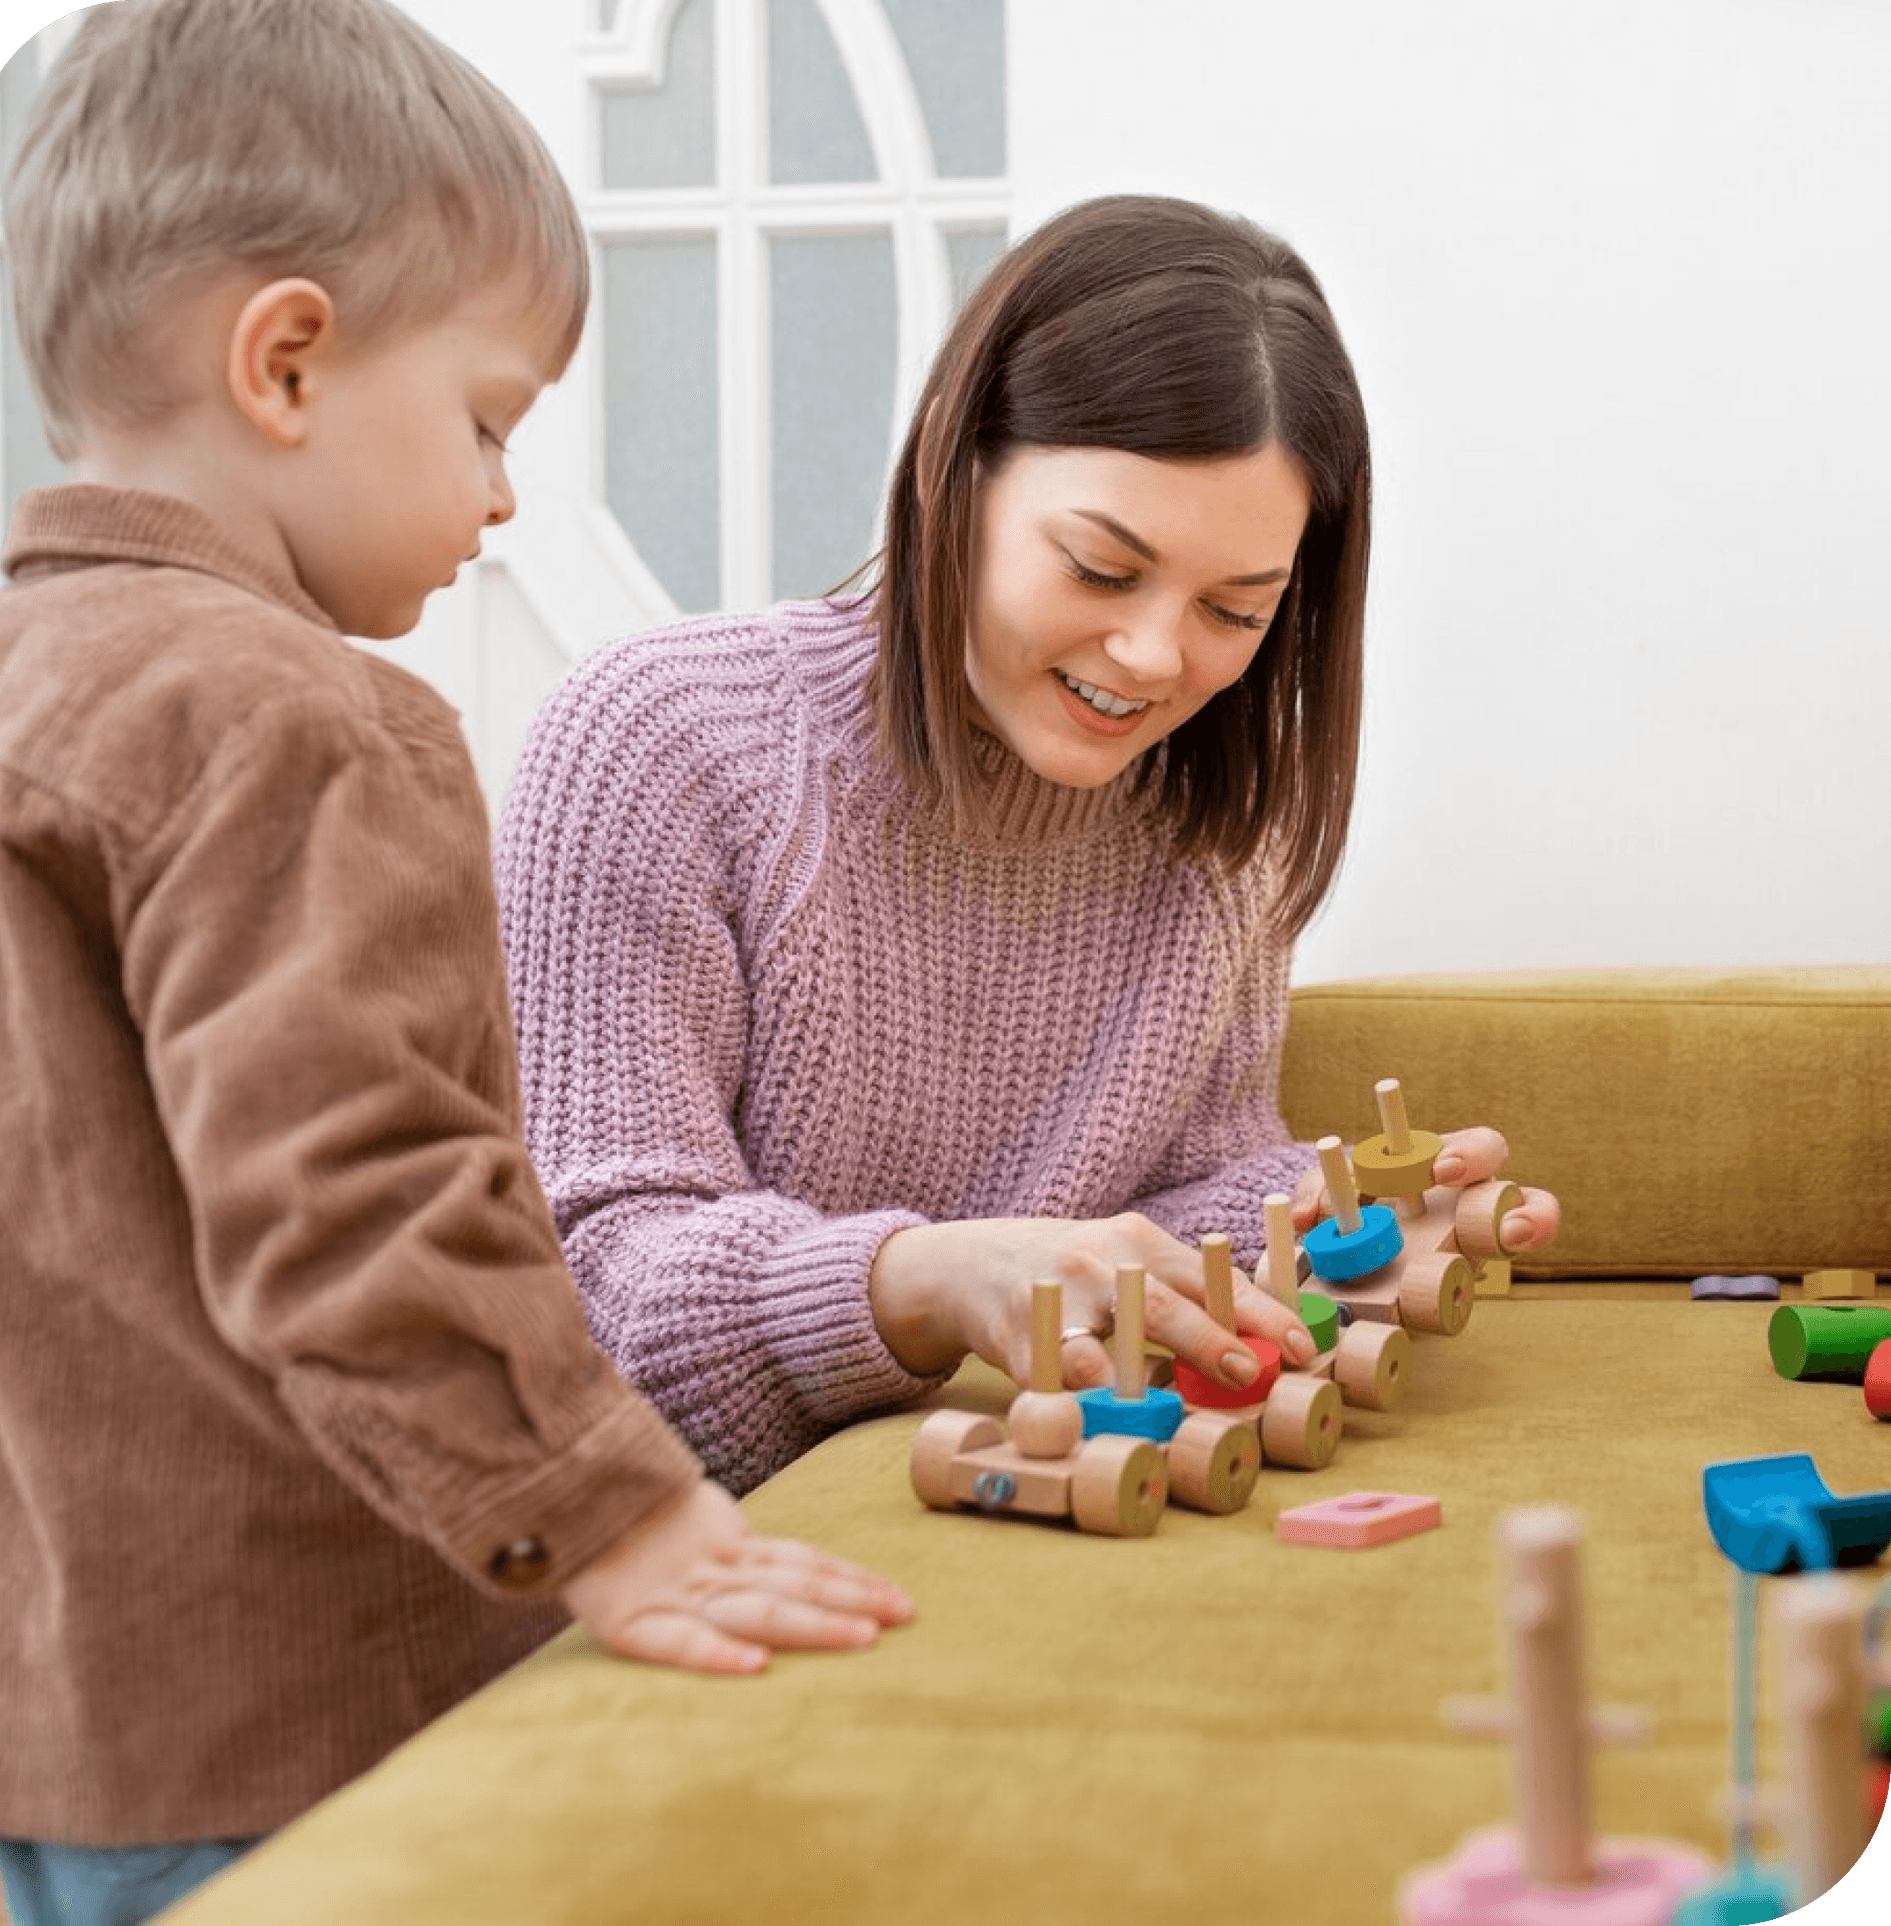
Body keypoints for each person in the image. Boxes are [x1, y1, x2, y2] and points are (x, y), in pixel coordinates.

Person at [0, 3, 909, 1921]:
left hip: (51, 1701)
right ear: (287, 362)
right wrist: (616, 1511)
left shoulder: (7, 690)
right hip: (310, 1696)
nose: (500, 498)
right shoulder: (303, 720)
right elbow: (364, 1192)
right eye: (487, 420)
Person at [494, 194, 1561, 1500]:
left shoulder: (1220, 829)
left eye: (1235, 612)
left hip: (1035, 1496)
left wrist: (1332, 1218)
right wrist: (923, 1281)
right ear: (958, 473)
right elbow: (590, 1290)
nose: (1155, 657)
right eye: (1102, 570)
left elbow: (1167, 1203)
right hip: (673, 1545)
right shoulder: (660, 741)